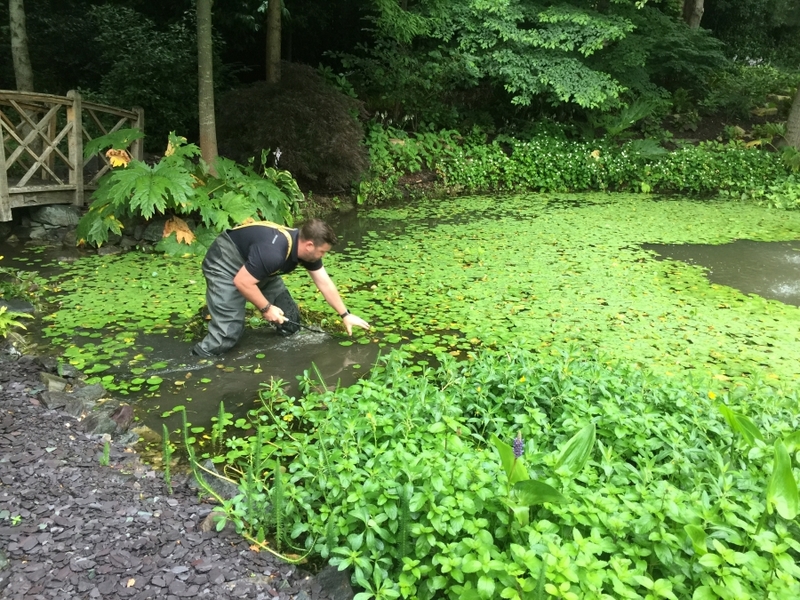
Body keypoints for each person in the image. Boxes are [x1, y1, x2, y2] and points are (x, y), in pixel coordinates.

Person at [192, 218, 369, 357]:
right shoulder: (274, 253)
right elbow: (242, 282)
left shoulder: (307, 252)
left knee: (290, 321)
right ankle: (197, 358)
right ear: (309, 245)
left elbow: (324, 282)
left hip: (258, 269)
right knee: (226, 336)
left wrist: (345, 314)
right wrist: (266, 308)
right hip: (224, 263)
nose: (323, 255)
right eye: (322, 251)